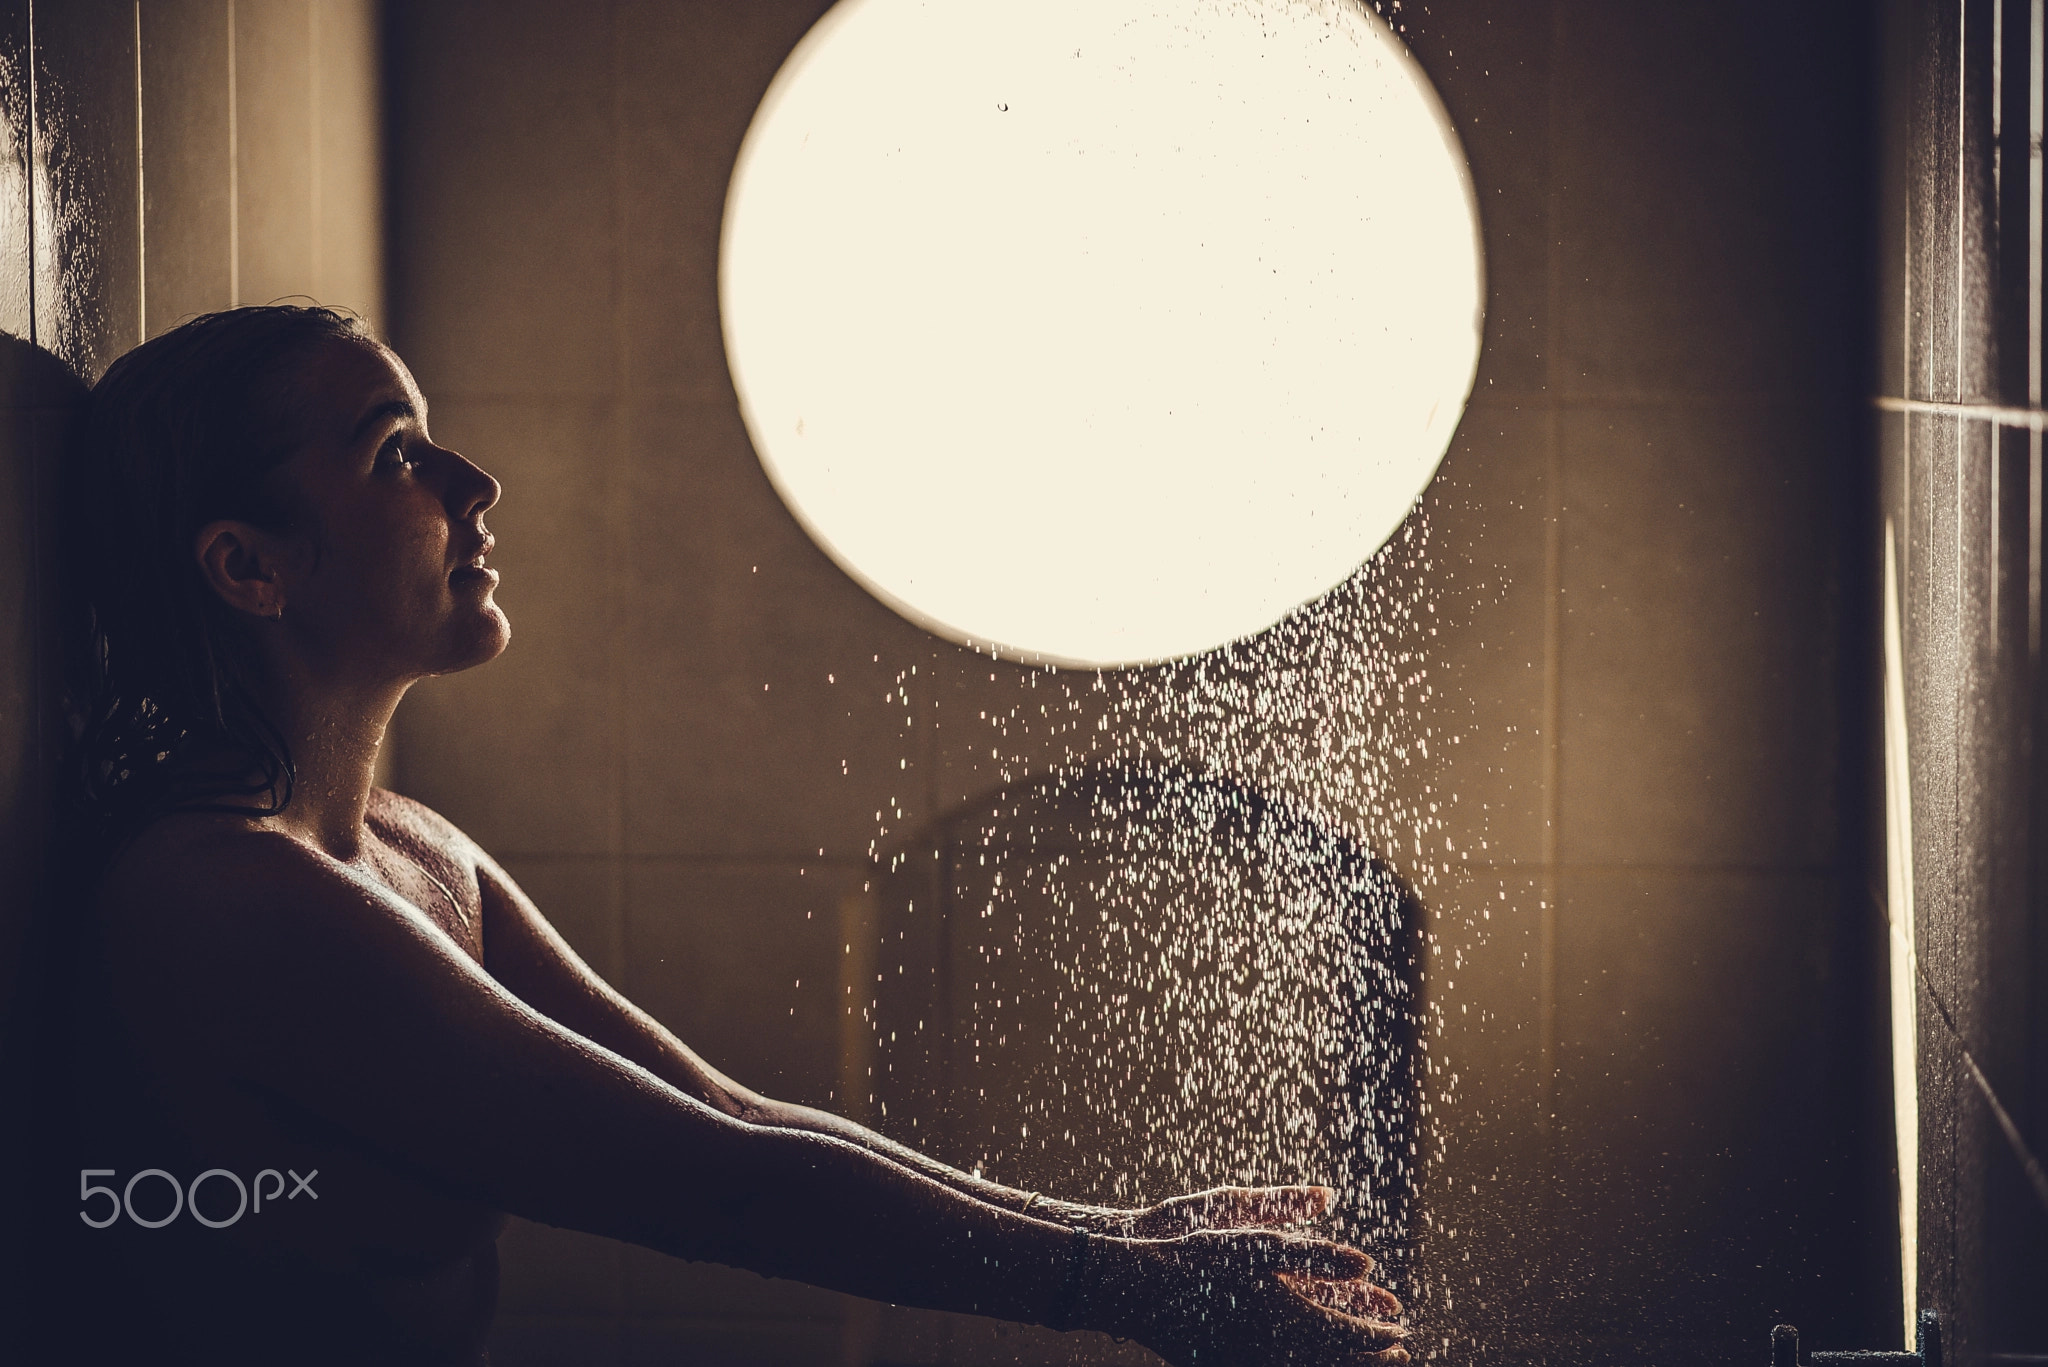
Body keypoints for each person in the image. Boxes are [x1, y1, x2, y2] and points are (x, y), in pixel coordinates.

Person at [50, 304, 1411, 1365]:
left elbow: (730, 1114)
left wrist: (1122, 1240)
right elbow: (710, 1186)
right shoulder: (218, 896)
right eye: (394, 453)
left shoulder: (409, 847)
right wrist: (1139, 1294)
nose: (475, 480)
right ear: (248, 566)